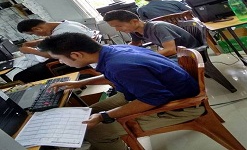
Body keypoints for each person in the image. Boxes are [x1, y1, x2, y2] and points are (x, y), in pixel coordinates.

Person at [38, 32, 205, 150]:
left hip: (179, 106)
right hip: (152, 93)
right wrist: (79, 83)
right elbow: (119, 78)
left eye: (60, 58)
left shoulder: (120, 66)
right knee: (88, 112)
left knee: (95, 133)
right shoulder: (114, 51)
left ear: (75, 55)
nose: (61, 62)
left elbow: (155, 99)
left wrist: (105, 116)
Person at [13, 19, 95, 83]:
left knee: (22, 76)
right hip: (84, 52)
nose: (35, 35)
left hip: (80, 60)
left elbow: (53, 54)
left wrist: (30, 50)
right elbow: (55, 39)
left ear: (37, 28)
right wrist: (36, 42)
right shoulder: (66, 24)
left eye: (33, 34)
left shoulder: (60, 33)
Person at [103, 9, 200, 58]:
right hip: (178, 52)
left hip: (190, 53)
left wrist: (145, 56)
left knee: (150, 68)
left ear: (134, 21)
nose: (117, 30)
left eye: (119, 26)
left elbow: (171, 50)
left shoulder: (158, 27)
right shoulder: (134, 30)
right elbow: (135, 44)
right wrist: (120, 51)